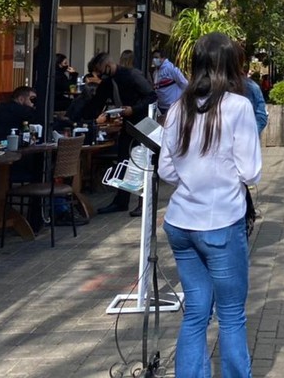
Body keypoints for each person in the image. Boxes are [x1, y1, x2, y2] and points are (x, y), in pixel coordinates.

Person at [158, 32, 262, 378]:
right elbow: (251, 171)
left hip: (180, 222)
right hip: (220, 223)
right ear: (231, 65)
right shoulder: (238, 106)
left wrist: (195, 173)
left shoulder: (176, 108)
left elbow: (166, 169)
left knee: (196, 312)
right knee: (231, 313)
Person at [84, 52, 157, 214]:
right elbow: (96, 104)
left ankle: (142, 202)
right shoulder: (108, 82)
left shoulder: (131, 75)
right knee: (123, 161)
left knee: (141, 162)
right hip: (128, 125)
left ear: (108, 66)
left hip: (143, 124)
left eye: (100, 70)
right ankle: (121, 200)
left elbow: (152, 96)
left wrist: (134, 109)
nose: (99, 75)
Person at [152, 48, 189, 118]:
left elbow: (184, 83)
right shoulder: (155, 73)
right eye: (153, 57)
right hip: (161, 107)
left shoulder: (171, 69)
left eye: (156, 57)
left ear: (163, 58)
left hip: (172, 107)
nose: (154, 60)